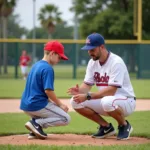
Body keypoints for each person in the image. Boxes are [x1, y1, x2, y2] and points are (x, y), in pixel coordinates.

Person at [68, 33, 136, 140]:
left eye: (92, 50)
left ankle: (124, 125)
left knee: (107, 101)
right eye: (88, 50)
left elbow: (111, 91)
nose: (90, 53)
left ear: (102, 47)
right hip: (107, 100)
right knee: (74, 101)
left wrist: (87, 96)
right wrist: (79, 90)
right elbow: (87, 85)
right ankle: (106, 127)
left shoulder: (116, 62)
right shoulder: (92, 63)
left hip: (126, 101)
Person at [20, 41, 71, 140]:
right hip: (36, 104)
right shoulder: (47, 68)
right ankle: (36, 123)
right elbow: (48, 91)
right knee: (66, 118)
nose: (59, 59)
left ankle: (34, 130)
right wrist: (60, 104)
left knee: (51, 110)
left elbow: (38, 89)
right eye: (59, 57)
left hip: (25, 105)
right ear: (52, 53)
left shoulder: (36, 65)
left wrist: (52, 102)